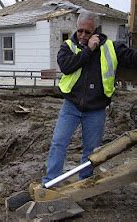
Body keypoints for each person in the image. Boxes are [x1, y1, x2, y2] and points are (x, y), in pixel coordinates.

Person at [42, 11, 137, 184]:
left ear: (97, 31)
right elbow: (66, 66)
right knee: (58, 143)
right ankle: (51, 181)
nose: (83, 35)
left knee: (91, 151)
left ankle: (84, 183)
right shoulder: (68, 46)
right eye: (80, 31)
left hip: (96, 109)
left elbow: (132, 57)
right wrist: (88, 50)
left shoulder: (111, 48)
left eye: (88, 32)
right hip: (71, 106)